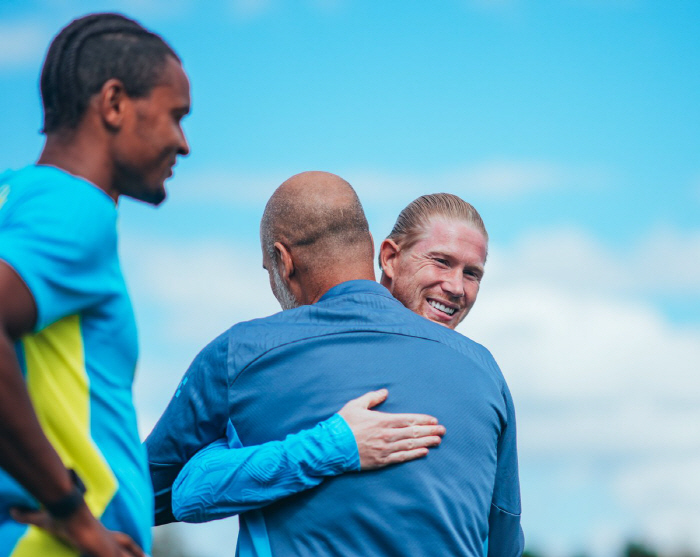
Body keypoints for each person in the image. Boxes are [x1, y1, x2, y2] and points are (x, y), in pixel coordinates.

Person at [146, 172, 523, 556]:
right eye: (441, 262)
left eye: (471, 273)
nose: (456, 288)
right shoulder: (484, 371)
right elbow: (503, 537)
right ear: (384, 254)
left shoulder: (245, 354)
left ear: (283, 261)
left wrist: (315, 450)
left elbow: (144, 493)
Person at [0, 13, 190, 557]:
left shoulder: (14, 195)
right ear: (113, 104)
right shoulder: (75, 206)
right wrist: (74, 516)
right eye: (175, 115)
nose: (184, 142)